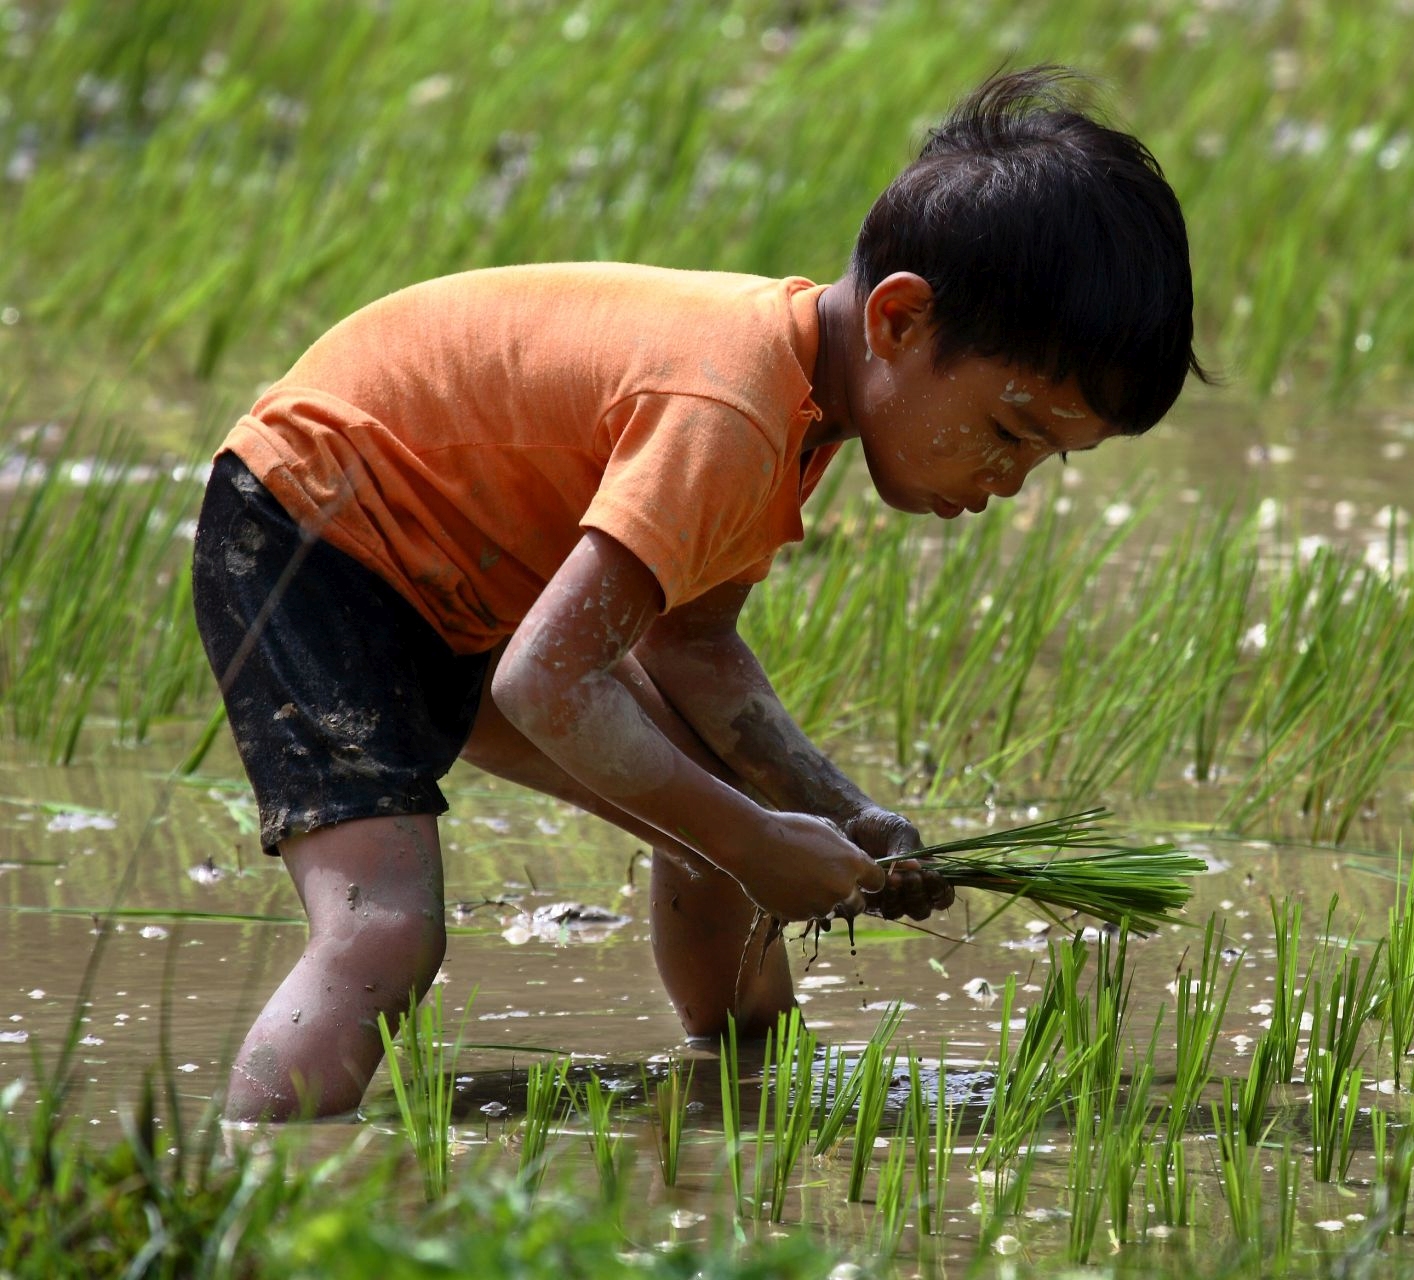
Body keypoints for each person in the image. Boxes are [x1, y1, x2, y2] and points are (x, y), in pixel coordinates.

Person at [191, 65, 1202, 1121]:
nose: (1010, 480)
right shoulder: (734, 412)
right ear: (900, 321)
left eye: (1050, 457)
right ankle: (254, 1172)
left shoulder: (794, 406)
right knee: (383, 930)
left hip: (465, 570)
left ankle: (750, 1087)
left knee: (717, 800)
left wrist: (837, 811)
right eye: (1010, 430)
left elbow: (693, 647)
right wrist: (757, 840)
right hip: (321, 536)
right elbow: (549, 680)